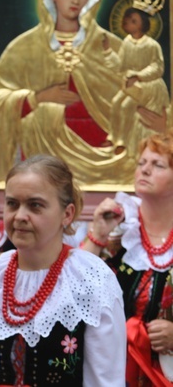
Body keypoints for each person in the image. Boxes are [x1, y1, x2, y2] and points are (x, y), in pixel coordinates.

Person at [0, 154, 126, 385]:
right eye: (12, 204)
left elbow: (105, 380)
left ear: (67, 214)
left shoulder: (92, 280)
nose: (20, 216)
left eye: (35, 205)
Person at [0, 0, 131, 186]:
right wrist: (36, 98)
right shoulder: (23, 47)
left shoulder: (112, 47)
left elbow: (137, 103)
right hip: (41, 168)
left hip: (107, 164)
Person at [83, 128, 173, 384]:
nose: (144, 170)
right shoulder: (120, 226)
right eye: (142, 163)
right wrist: (97, 234)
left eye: (158, 165)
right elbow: (70, 285)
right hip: (114, 368)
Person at [105, 0, 169, 155]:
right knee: (116, 103)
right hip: (131, 86)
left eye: (133, 21)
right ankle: (113, 138)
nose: (128, 24)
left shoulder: (151, 45)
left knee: (126, 107)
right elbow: (121, 65)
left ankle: (123, 143)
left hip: (148, 87)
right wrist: (107, 52)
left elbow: (157, 67)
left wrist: (139, 76)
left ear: (143, 24)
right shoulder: (127, 42)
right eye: (127, 20)